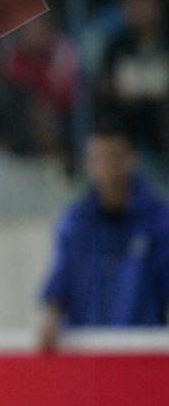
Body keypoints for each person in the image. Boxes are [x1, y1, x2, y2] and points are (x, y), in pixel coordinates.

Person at [39, 115, 169, 349]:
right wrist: (51, 316)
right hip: (86, 351)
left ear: (131, 159)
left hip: (141, 349)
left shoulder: (158, 220)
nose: (106, 167)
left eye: (113, 157)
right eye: (97, 158)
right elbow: (61, 279)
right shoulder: (75, 222)